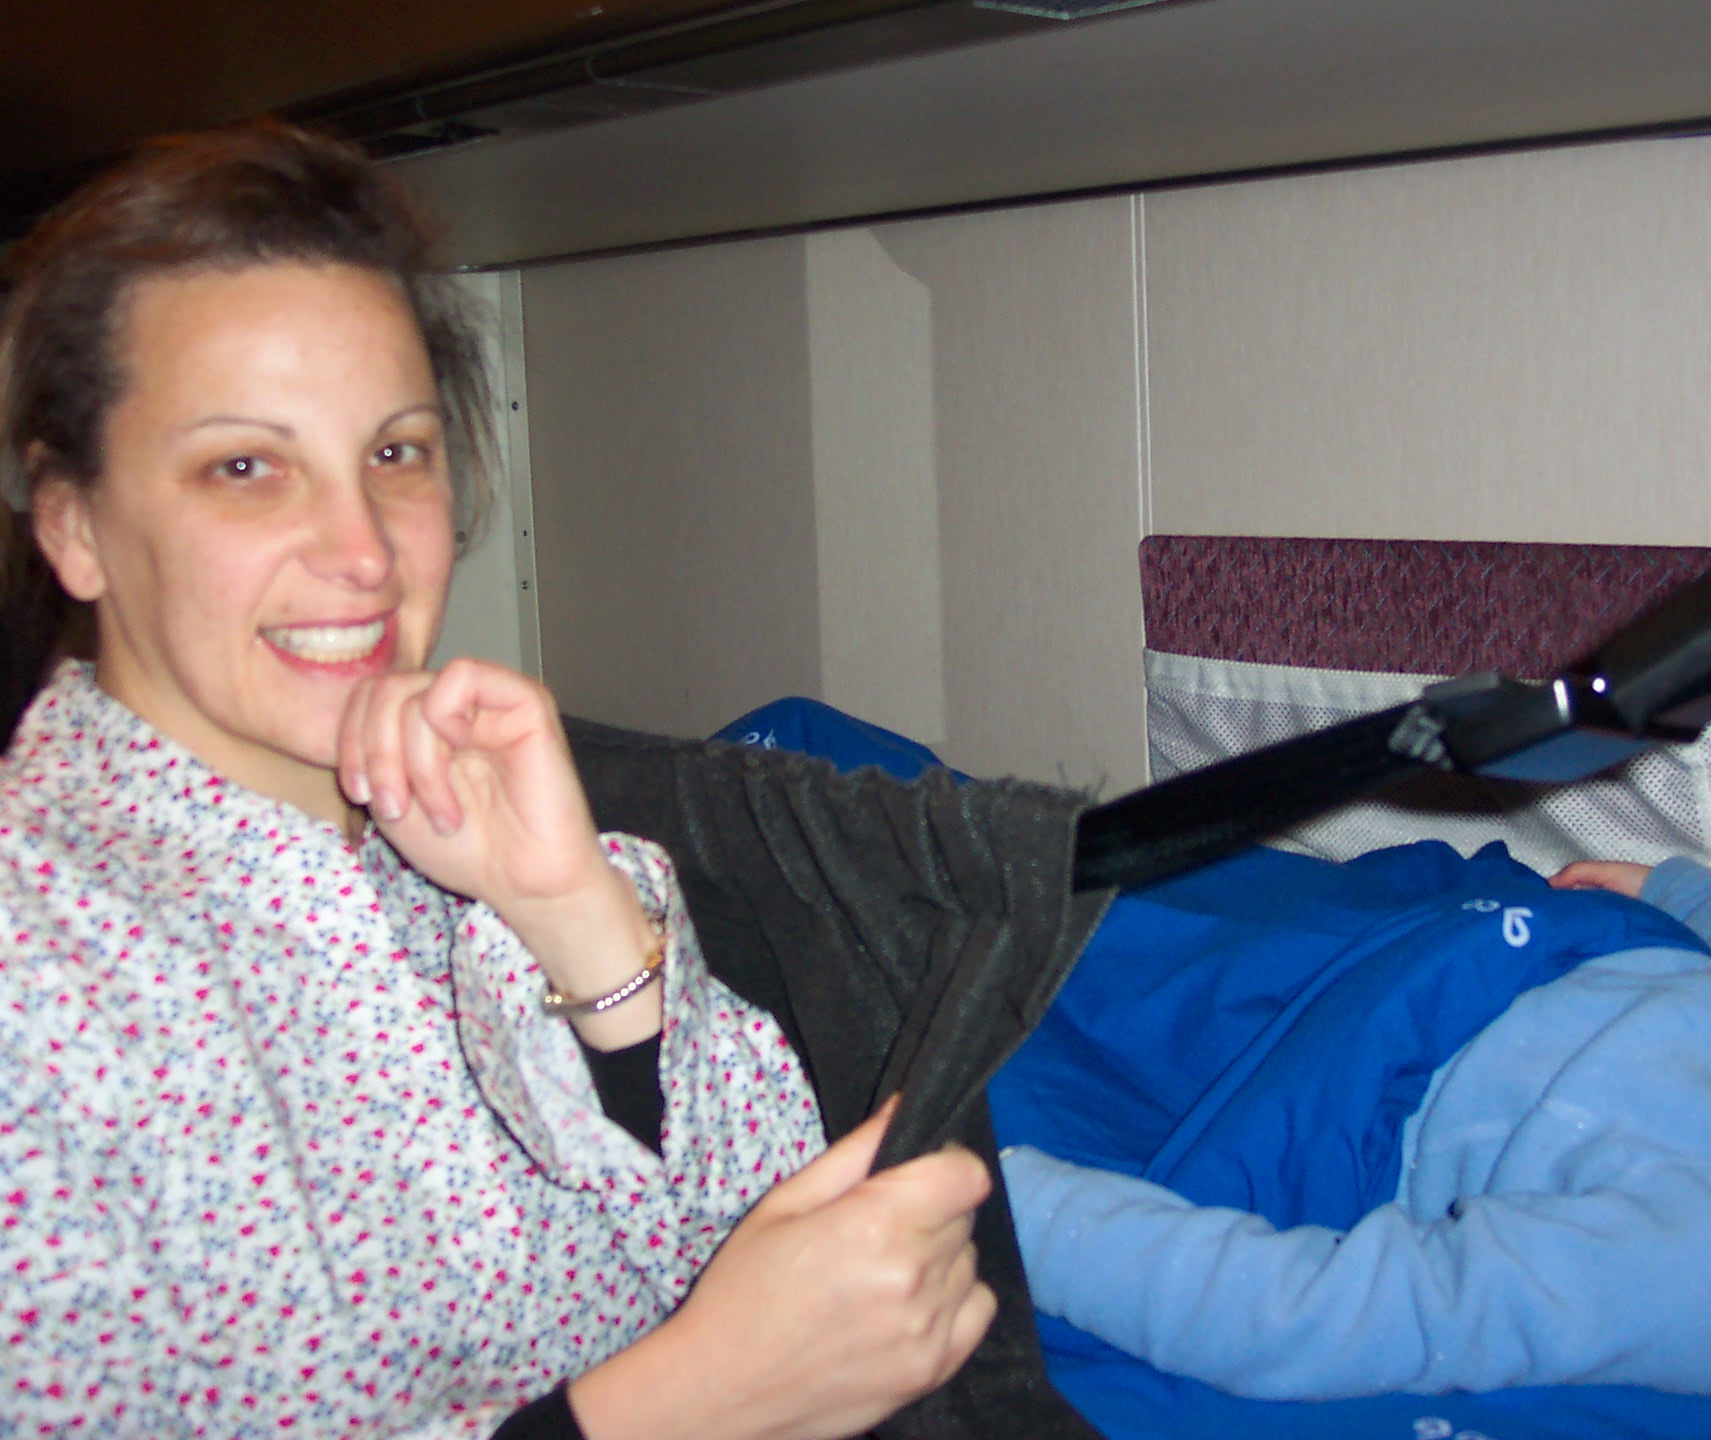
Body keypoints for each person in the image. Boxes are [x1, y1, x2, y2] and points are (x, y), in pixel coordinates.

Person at [0, 124, 1011, 1439]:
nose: (362, 551)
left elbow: (765, 1241)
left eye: (396, 452)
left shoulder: (451, 843)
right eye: (245, 468)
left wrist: (579, 918)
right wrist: (681, 1404)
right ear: (72, 523)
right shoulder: (42, 975)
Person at [995, 848, 1711, 1439]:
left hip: (1360, 1109)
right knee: (1104, 891)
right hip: (1474, 948)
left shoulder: (1708, 1280)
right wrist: (1684, 890)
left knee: (1035, 1012)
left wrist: (1009, 1211)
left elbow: (1338, 1313)